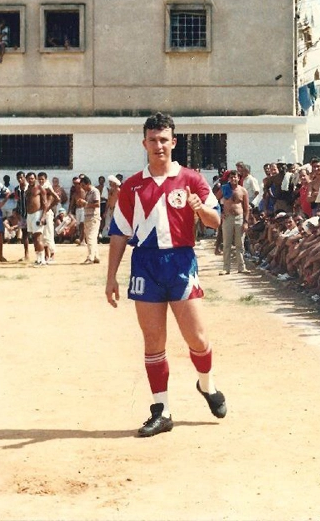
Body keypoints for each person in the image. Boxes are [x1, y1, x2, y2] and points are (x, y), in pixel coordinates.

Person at [106, 112, 226, 437]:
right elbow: (119, 232)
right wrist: (111, 276)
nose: (158, 145)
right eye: (152, 140)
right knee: (153, 340)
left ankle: (207, 384)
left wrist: (199, 209)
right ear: (144, 143)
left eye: (164, 139)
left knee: (197, 338)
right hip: (145, 264)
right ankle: (162, 410)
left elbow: (217, 221)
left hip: (181, 262)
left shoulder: (191, 180)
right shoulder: (132, 186)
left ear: (174, 142)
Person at [216, 169, 250, 275]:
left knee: (240, 243)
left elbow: (246, 208)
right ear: (229, 179)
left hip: (239, 218)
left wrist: (246, 222)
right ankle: (226, 268)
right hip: (227, 218)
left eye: (235, 177)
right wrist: (220, 212)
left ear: (238, 178)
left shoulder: (243, 191)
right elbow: (215, 200)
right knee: (226, 243)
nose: (233, 179)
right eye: (231, 177)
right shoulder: (224, 189)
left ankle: (241, 267)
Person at [25, 172, 49, 267]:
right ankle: (38, 259)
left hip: (37, 214)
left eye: (32, 178)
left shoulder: (40, 188)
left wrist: (43, 217)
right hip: (29, 215)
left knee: (38, 237)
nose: (30, 180)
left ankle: (43, 260)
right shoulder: (28, 189)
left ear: (35, 179)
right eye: (29, 179)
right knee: (34, 237)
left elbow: (45, 203)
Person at [78, 176, 101, 264]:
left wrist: (85, 203)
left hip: (93, 217)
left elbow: (97, 204)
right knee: (91, 237)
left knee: (90, 237)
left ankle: (90, 257)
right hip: (88, 216)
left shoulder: (94, 191)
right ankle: (95, 256)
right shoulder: (88, 193)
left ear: (88, 184)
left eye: (83, 185)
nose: (82, 187)